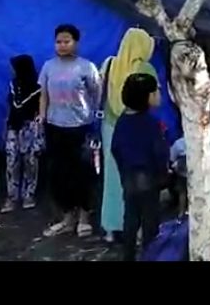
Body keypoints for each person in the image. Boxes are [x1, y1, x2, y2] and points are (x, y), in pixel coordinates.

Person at [38, 24, 102, 237]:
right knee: (59, 175)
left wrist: (93, 120)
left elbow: (96, 95)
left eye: (67, 41)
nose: (62, 45)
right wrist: (43, 117)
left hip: (81, 128)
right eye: (58, 41)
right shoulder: (48, 66)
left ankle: (84, 218)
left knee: (82, 173)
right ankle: (67, 218)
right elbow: (44, 95)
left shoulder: (87, 67)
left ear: (76, 43)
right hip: (55, 127)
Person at [99, 28, 158, 243]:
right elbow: (153, 101)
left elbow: (101, 96)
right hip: (138, 129)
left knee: (111, 178)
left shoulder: (109, 64)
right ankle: (139, 229)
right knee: (139, 181)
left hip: (110, 127)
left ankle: (110, 228)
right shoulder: (145, 68)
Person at [111, 73, 168, 261]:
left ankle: (128, 255)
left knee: (131, 217)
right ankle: (149, 255)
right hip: (148, 177)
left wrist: (122, 170)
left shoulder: (122, 120)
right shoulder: (151, 124)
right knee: (150, 220)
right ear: (147, 96)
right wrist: (164, 175)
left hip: (128, 176)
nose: (159, 94)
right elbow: (159, 152)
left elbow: (115, 148)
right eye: (156, 91)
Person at [1, 55, 43, 213]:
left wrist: (39, 131)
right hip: (13, 127)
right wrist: (5, 127)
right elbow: (10, 107)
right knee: (12, 162)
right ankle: (12, 197)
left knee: (31, 162)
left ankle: (29, 195)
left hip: (31, 127)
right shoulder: (13, 85)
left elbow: (40, 109)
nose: (11, 70)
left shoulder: (38, 86)